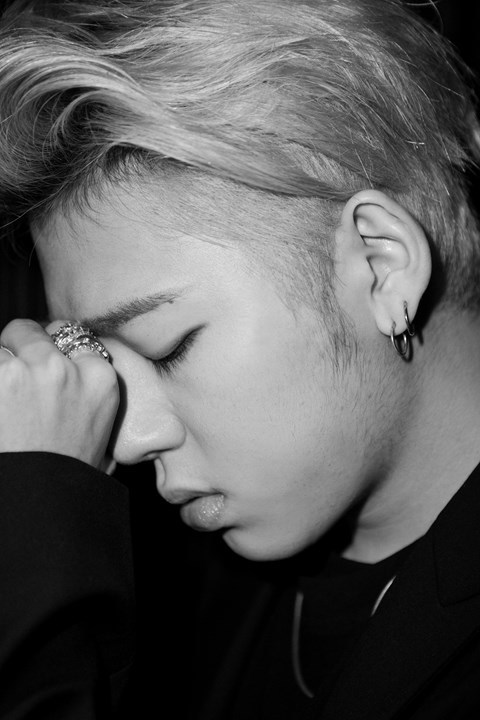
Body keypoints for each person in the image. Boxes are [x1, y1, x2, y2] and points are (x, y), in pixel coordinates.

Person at [1, 0, 480, 717]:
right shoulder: (184, 590)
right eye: (99, 356)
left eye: (169, 348)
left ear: (381, 266)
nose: (128, 441)